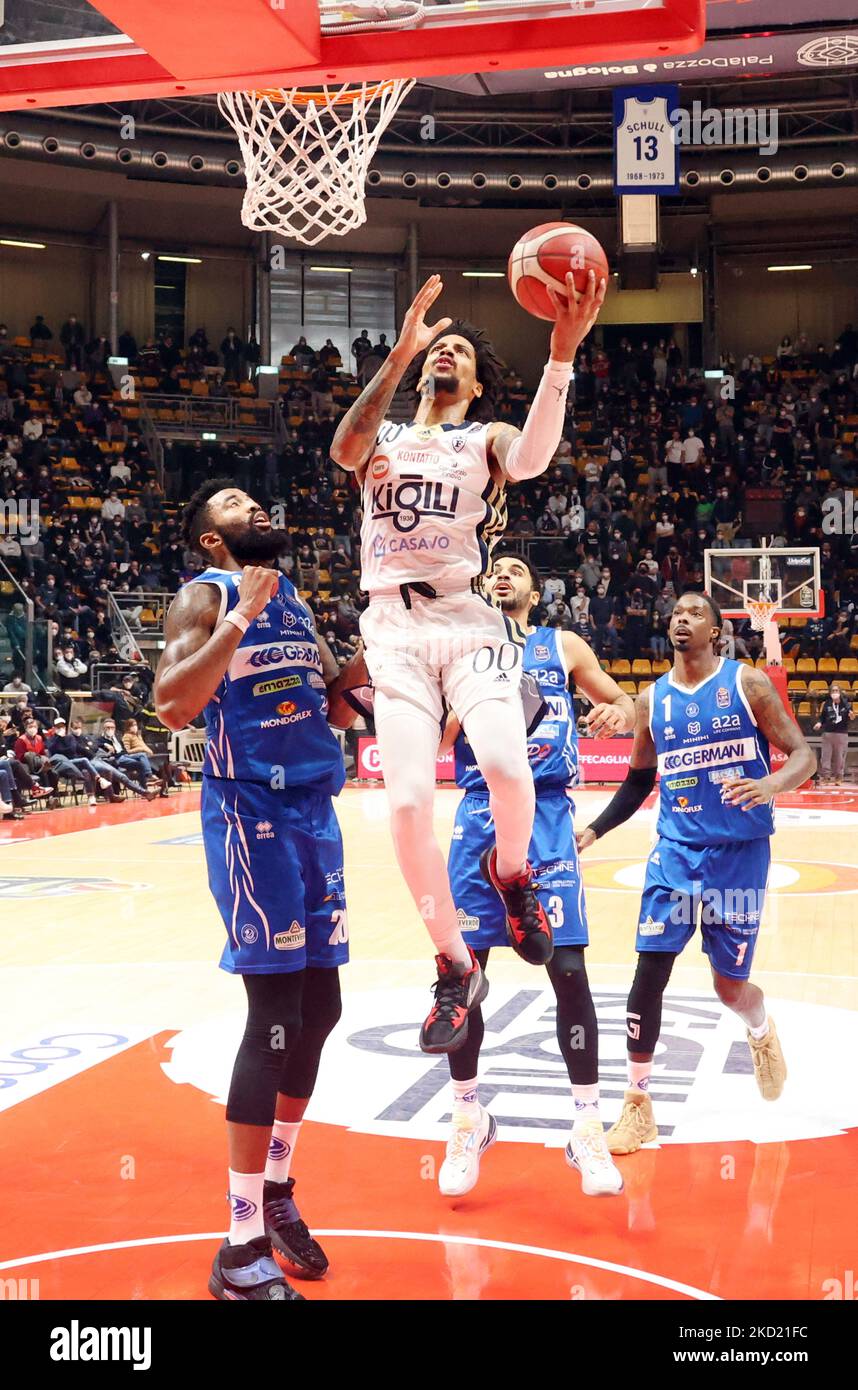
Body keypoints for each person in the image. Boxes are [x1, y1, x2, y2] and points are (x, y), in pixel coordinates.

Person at [330, 269, 606, 1053]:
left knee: (508, 770)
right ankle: (454, 965)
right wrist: (396, 357)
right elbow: (341, 447)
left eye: (458, 350)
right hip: (391, 629)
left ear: (477, 383)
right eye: (436, 348)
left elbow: (534, 458)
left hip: (468, 621)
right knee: (409, 805)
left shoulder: (482, 438)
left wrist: (560, 356)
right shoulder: (380, 436)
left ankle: (513, 874)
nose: (443, 354)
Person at [154, 479, 364, 1301]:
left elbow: (338, 713)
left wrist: (378, 656)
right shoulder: (202, 597)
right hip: (253, 817)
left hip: (316, 811)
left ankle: (276, 1190)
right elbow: (173, 704)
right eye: (235, 504)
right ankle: (237, 1246)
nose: (257, 509)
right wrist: (239, 614)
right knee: (274, 1017)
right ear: (211, 539)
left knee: (322, 1011)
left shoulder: (301, 605)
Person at [576, 592, 816, 1154]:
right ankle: (637, 1105)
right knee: (649, 973)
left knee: (729, 988)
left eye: (695, 614)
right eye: (676, 614)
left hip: (739, 858)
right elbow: (639, 780)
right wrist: (594, 830)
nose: (682, 620)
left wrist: (771, 785)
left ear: (716, 631)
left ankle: (758, 1027)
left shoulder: (747, 684)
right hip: (676, 857)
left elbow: (801, 754)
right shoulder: (651, 699)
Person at [437, 554, 634, 1198]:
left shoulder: (563, 644)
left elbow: (621, 701)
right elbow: (439, 736)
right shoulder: (464, 645)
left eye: (519, 567)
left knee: (568, 971)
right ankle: (469, 1115)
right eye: (495, 569)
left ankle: (586, 1127)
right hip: (478, 814)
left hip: (548, 816)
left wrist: (618, 712)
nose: (504, 574)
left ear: (536, 586)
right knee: (464, 976)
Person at [814, 682, 855, 784]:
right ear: (830, 693)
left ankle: (838, 777)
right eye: (833, 691)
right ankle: (826, 777)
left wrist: (852, 716)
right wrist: (819, 723)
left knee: (839, 757)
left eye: (836, 691)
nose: (834, 693)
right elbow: (822, 717)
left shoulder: (846, 704)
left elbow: (852, 717)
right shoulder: (827, 703)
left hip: (841, 734)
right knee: (825, 756)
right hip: (828, 733)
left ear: (840, 692)